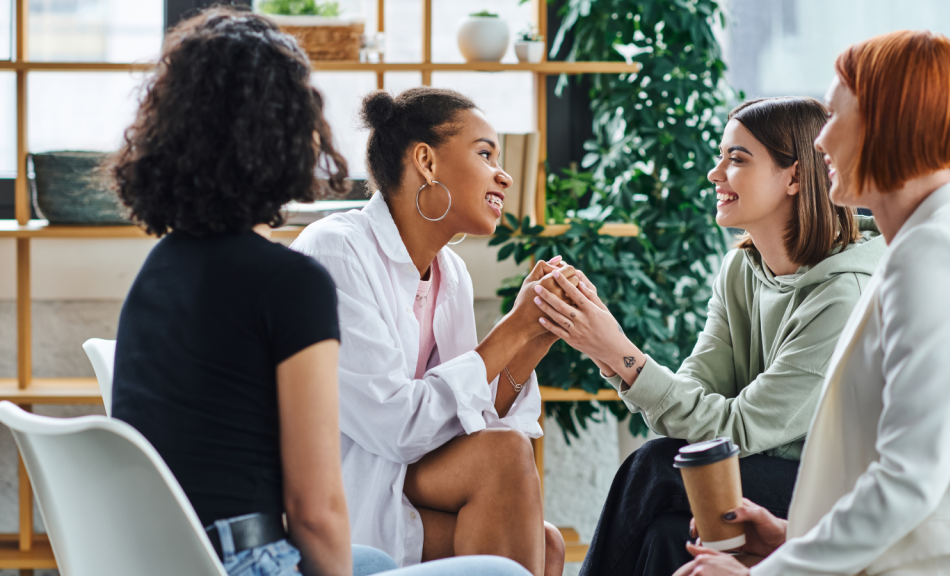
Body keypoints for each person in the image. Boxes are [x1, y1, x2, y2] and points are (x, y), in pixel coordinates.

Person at [109, 8, 531, 576]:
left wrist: (527, 338)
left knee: (524, 546)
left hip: (163, 558)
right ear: (283, 133)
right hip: (249, 562)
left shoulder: (157, 269)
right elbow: (314, 511)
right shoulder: (296, 280)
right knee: (502, 570)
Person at [676, 30, 950, 576]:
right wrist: (791, 539)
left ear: (888, 122)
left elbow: (907, 482)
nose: (820, 142)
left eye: (836, 116)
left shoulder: (939, 256)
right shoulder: (930, 246)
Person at [531, 97, 886, 576]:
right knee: (666, 535)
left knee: (657, 466)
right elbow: (694, 396)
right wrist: (607, 349)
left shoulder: (844, 295)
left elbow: (739, 429)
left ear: (796, 176)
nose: (715, 174)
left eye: (736, 159)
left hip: (829, 487)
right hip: (759, 470)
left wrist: (619, 351)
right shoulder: (740, 268)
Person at [290, 87, 569, 576]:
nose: (502, 174)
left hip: (398, 476)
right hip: (338, 493)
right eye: (485, 154)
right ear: (426, 161)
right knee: (511, 473)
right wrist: (509, 331)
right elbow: (395, 426)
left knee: (546, 545)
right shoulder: (335, 251)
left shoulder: (450, 272)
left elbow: (467, 420)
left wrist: (533, 338)